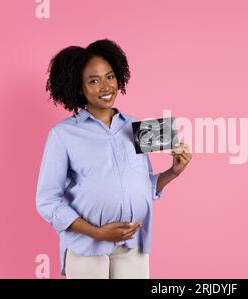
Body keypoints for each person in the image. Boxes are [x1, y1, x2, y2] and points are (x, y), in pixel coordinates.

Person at [36, 39, 192, 279]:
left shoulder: (136, 127)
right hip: (86, 246)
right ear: (79, 88)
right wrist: (97, 233)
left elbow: (143, 186)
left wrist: (173, 172)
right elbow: (47, 200)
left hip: (134, 244)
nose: (106, 87)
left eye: (109, 77)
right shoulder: (63, 134)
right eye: (93, 81)